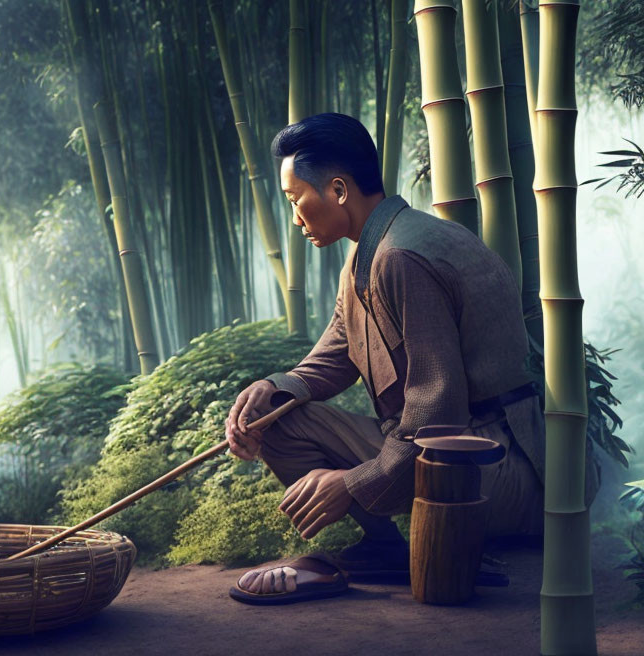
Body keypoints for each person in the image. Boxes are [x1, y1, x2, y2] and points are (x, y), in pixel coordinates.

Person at [224, 113, 599, 605]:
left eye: (296, 200)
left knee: (366, 450)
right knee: (282, 422)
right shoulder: (376, 249)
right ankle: (387, 550)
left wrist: (353, 484)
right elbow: (333, 357)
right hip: (455, 453)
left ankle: (451, 544)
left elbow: (437, 413)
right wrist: (271, 392)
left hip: (498, 469)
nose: (295, 218)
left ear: (338, 190)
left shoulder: (401, 258)